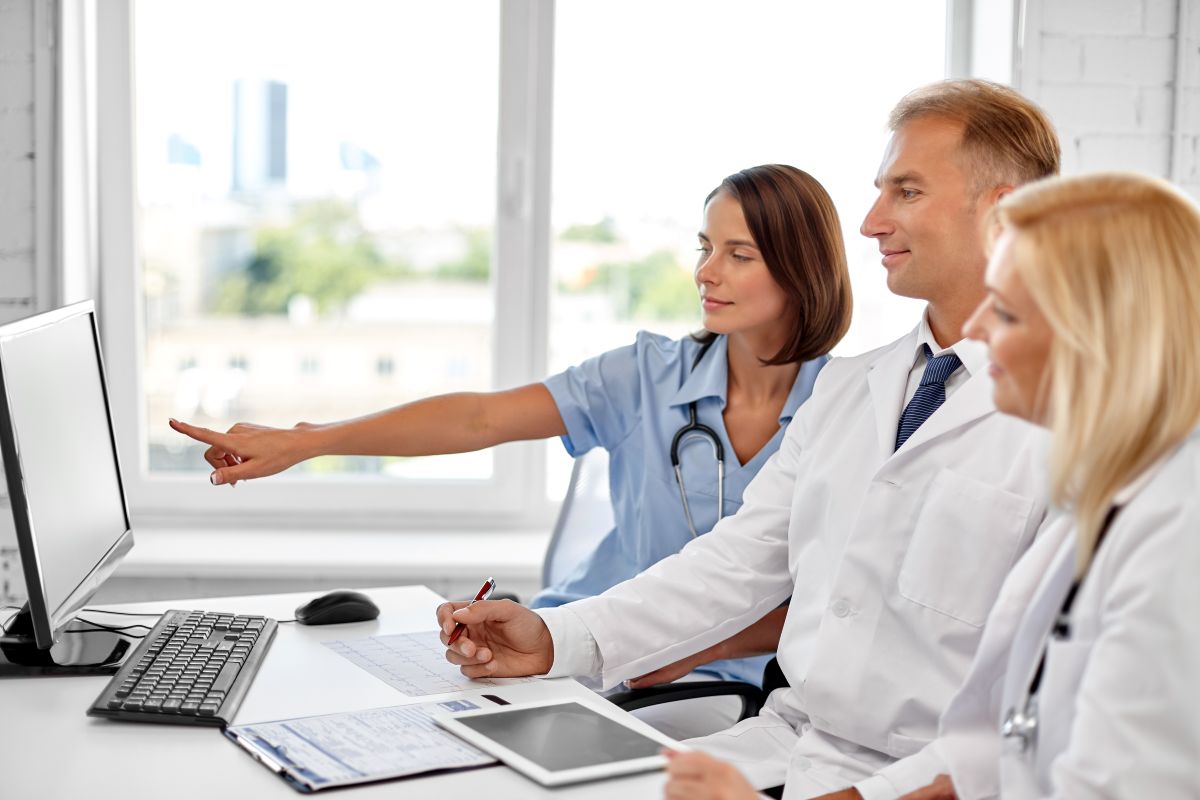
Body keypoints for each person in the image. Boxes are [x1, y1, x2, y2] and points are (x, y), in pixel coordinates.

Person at [436, 79, 1061, 799]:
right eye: (879, 190)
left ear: (1004, 207)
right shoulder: (852, 387)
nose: (870, 222)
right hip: (785, 745)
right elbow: (733, 566)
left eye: (907, 192)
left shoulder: (1080, 419)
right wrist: (554, 638)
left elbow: (1042, 710)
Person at [169, 164, 854, 695]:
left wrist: (686, 648)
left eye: (740, 254)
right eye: (706, 246)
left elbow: (833, 600)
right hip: (564, 646)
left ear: (801, 269)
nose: (705, 271)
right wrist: (306, 441)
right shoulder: (649, 374)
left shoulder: (850, 410)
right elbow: (479, 416)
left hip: (705, 690)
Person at [894, 173, 1200, 800]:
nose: (975, 328)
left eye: (1003, 309)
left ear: (1101, 333)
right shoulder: (1111, 491)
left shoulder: (1180, 531)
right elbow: (1004, 752)